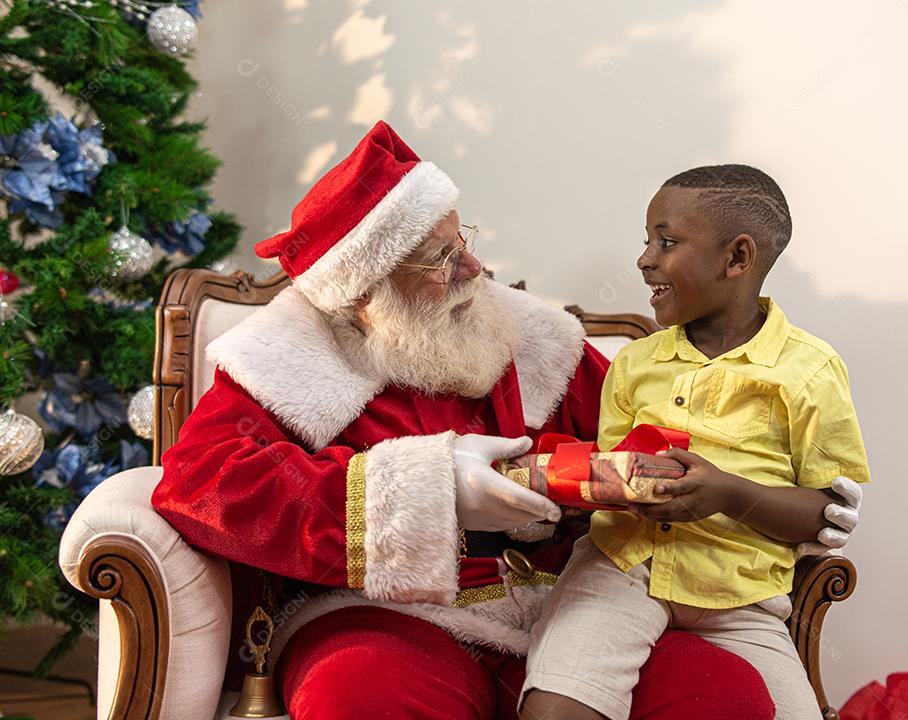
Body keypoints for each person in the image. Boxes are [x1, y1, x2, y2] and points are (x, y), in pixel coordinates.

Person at [151, 123, 782, 719]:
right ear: (365, 294)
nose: (474, 271)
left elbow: (647, 432)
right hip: (383, 614)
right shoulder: (289, 359)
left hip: (563, 604)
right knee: (362, 696)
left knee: (718, 693)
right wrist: (432, 492)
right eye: (437, 260)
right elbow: (201, 483)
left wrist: (613, 482)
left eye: (464, 243)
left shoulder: (530, 338)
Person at [521, 164, 871, 720]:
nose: (644, 259)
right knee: (557, 707)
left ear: (737, 258)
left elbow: (825, 513)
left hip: (742, 595)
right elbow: (610, 472)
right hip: (621, 567)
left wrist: (729, 493)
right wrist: (577, 484)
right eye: (646, 241)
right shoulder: (636, 362)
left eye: (667, 241)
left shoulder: (810, 370)